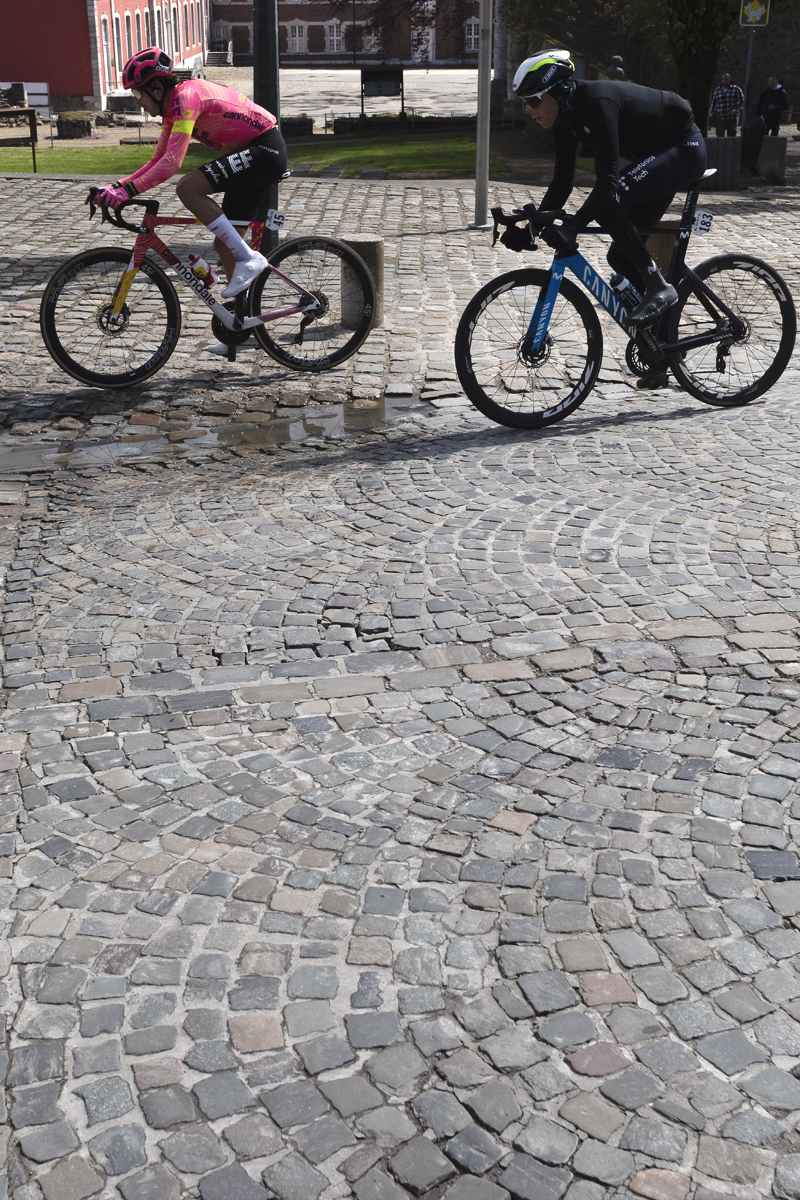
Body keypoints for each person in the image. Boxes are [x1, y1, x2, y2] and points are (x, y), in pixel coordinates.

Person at [508, 50, 707, 332]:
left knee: (607, 201)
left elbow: (607, 183)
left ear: (559, 92)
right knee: (620, 257)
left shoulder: (597, 103)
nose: (528, 109)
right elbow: (562, 182)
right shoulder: (565, 117)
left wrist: (573, 227)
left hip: (684, 149)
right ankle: (663, 338)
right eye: (525, 102)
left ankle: (658, 285)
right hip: (657, 158)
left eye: (534, 100)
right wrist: (531, 229)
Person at [87, 47, 287, 302]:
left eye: (137, 92)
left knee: (187, 188)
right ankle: (242, 326)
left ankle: (249, 259)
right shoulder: (172, 109)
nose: (136, 100)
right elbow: (158, 159)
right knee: (225, 245)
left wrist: (127, 191)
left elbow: (172, 163)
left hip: (265, 149)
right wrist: (116, 187)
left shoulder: (186, 97)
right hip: (251, 153)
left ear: (156, 87)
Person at [709, 72, 744, 137]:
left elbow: (742, 102)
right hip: (720, 117)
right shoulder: (717, 90)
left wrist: (735, 110)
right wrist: (711, 113)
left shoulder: (736, 89)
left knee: (731, 137)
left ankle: (730, 147)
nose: (724, 80)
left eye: (726, 79)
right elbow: (714, 103)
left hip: (731, 118)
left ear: (730, 79)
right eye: (723, 79)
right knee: (720, 137)